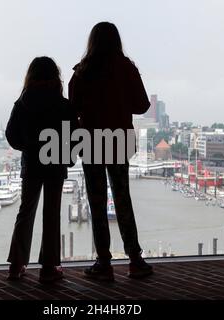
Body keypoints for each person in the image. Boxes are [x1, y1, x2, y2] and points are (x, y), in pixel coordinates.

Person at [69, 22, 153, 281]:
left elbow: (72, 108)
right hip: (119, 140)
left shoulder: (81, 72)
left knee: (96, 202)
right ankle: (135, 260)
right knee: (122, 198)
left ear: (91, 41)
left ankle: (103, 262)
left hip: (92, 141)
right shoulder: (126, 68)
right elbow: (142, 105)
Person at [6, 56, 77, 283]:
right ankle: (48, 267)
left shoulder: (23, 103)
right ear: (56, 76)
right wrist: (66, 154)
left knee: (25, 211)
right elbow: (75, 136)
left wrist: (27, 146)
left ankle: (16, 265)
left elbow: (11, 135)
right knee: (51, 213)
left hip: (32, 163)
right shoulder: (64, 105)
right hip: (55, 162)